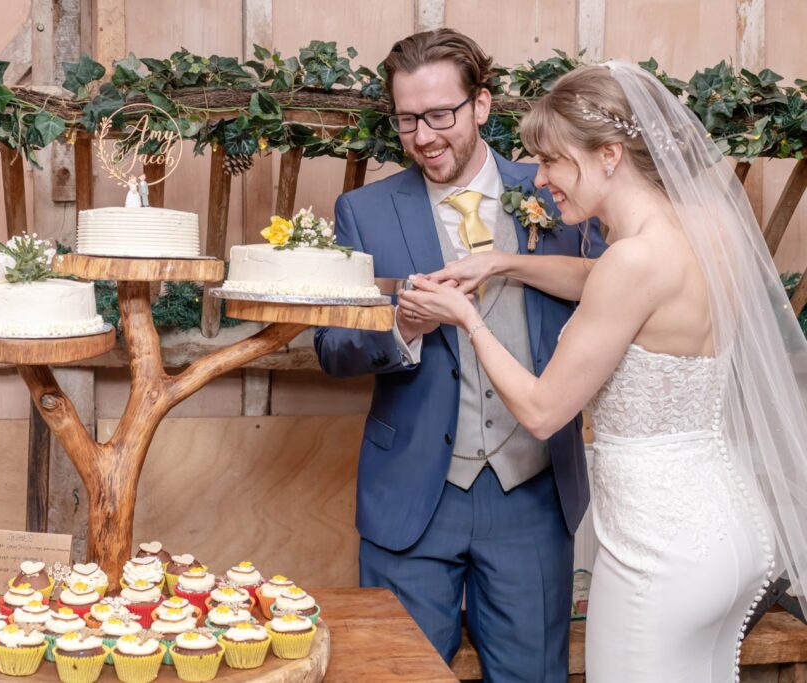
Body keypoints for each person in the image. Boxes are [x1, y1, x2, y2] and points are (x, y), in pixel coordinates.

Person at [400, 62, 807, 681]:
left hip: (657, 554)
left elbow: (541, 412)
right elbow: (615, 286)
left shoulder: (631, 261)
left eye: (553, 161)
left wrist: (467, 319)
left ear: (610, 155)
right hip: (732, 535)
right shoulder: (708, 229)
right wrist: (505, 263)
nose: (540, 179)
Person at [313, 29, 605, 679]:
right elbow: (330, 347)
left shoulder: (560, 191)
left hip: (531, 490)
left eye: (440, 114)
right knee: (394, 673)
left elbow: (616, 296)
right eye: (407, 119)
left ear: (481, 105)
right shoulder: (363, 210)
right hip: (413, 496)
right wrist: (403, 329)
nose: (423, 136)